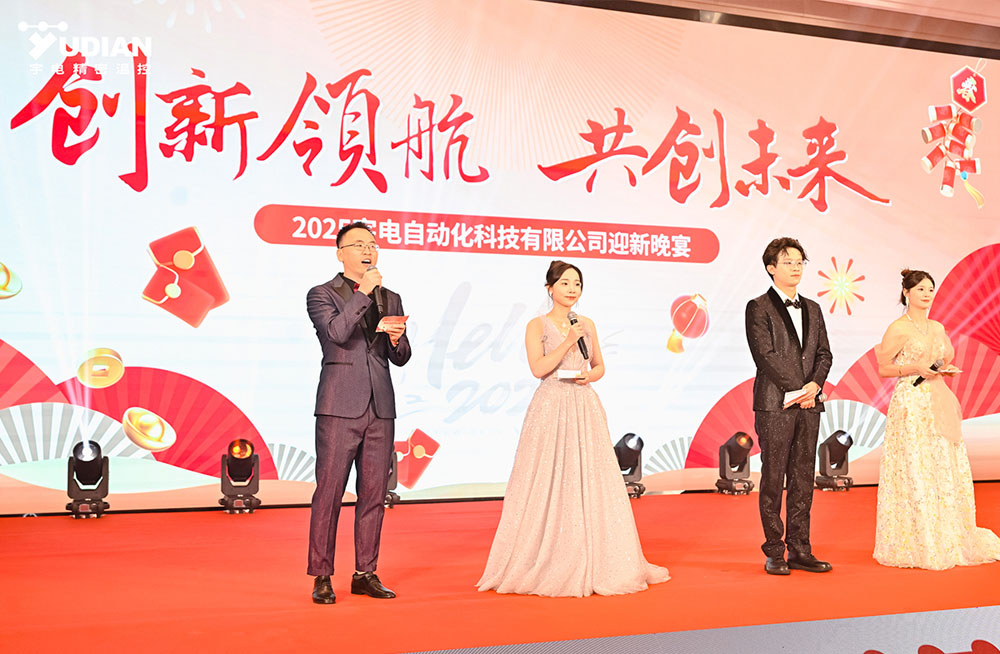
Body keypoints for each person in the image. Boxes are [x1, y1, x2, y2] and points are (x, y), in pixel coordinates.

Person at [477, 260, 669, 597]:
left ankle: (593, 553)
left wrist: (589, 375)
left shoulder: (587, 323)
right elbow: (539, 368)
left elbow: (599, 366)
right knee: (549, 476)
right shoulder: (537, 325)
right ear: (550, 288)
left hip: (584, 404)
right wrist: (567, 340)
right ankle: (547, 556)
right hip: (551, 406)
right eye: (565, 283)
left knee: (589, 477)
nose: (571, 289)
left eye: (577, 284)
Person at [306, 221, 411, 604]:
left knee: (374, 494)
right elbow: (336, 333)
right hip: (339, 407)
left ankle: (365, 572)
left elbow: (401, 357)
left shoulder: (391, 297)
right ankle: (322, 575)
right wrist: (364, 292)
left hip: (380, 407)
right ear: (340, 253)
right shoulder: (322, 294)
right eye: (359, 244)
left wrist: (397, 340)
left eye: (373, 244)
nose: (368, 250)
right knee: (330, 492)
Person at [873, 269, 1000, 569]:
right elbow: (884, 368)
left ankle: (947, 534)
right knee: (915, 465)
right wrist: (914, 368)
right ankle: (919, 539)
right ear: (906, 293)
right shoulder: (897, 329)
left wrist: (942, 369)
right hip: (911, 403)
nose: (927, 294)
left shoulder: (937, 327)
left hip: (938, 399)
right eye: (920, 289)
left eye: (930, 289)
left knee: (942, 464)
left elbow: (941, 359)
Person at [745, 237, 833, 575]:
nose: (796, 268)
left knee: (803, 477)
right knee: (773, 477)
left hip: (809, 404)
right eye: (788, 262)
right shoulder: (758, 307)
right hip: (775, 405)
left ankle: (800, 549)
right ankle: (774, 551)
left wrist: (814, 386)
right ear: (771, 268)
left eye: (799, 262)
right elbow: (764, 355)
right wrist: (797, 389)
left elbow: (824, 353)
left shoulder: (813, 308)